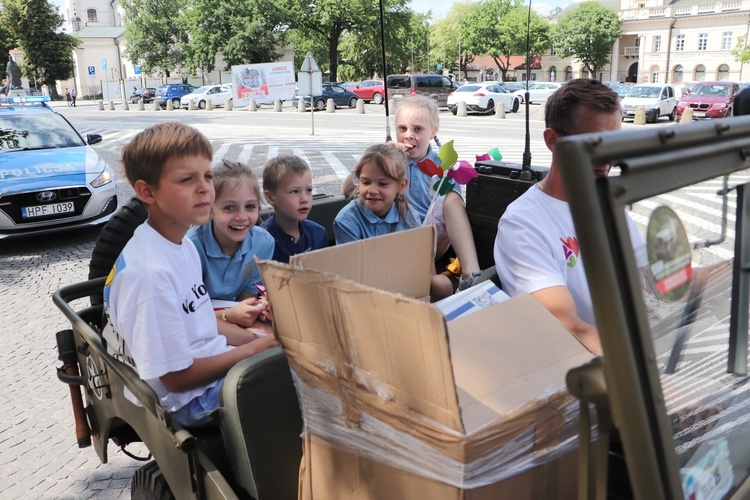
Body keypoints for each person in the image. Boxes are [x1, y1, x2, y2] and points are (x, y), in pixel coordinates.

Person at [102, 122, 276, 428]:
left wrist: (258, 338)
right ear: (147, 191)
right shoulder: (150, 275)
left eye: (207, 176)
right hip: (189, 401)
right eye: (186, 179)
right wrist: (258, 348)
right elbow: (176, 379)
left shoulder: (181, 246)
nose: (204, 189)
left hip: (206, 369)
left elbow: (202, 319)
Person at [493, 78, 648, 354]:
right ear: (553, 141)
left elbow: (649, 275)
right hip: (588, 368)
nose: (606, 160)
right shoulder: (522, 224)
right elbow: (567, 324)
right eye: (593, 144)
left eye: (614, 144)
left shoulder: (607, 205)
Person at [341, 95, 481, 294]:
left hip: (428, 239)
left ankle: (471, 273)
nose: (408, 135)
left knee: (451, 199)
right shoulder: (387, 161)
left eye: (418, 129)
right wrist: (373, 158)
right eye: (402, 128)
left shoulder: (443, 166)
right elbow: (346, 189)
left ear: (433, 131)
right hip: (392, 236)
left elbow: (450, 214)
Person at [335, 144, 451, 301]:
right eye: (366, 182)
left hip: (405, 282)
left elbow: (421, 261)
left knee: (442, 284)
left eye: (383, 184)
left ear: (401, 186)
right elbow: (355, 275)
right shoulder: (346, 221)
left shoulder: (409, 215)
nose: (372, 190)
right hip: (365, 291)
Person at [188, 159, 276, 329]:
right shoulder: (191, 247)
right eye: (229, 208)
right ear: (209, 209)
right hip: (197, 324)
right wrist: (228, 316)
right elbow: (186, 315)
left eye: (250, 206)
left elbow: (246, 299)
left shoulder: (264, 243)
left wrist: (255, 310)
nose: (242, 217)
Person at [260, 154, 328, 263]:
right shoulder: (261, 240)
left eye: (309, 190)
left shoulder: (318, 234)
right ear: (270, 197)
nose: (304, 199)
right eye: (294, 191)